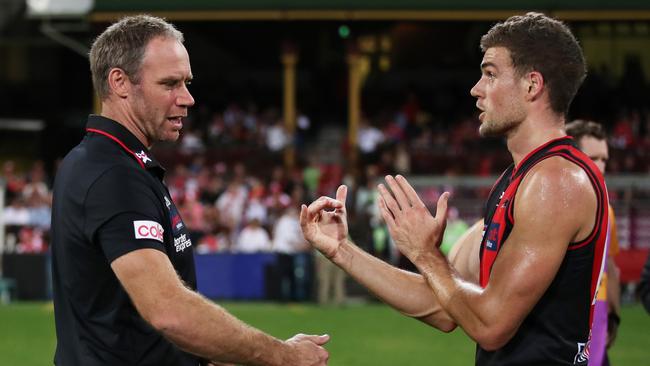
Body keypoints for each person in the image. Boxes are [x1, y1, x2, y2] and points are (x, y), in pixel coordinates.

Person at [301, 12, 608, 365]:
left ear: (532, 85)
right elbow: (446, 304)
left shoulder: (554, 181)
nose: (476, 88)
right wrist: (343, 250)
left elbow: (491, 324)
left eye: (490, 74)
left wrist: (425, 253)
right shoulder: (519, 178)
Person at [51, 15, 329, 366]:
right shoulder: (112, 175)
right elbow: (170, 312)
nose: (188, 98)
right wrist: (284, 356)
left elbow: (137, 326)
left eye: (186, 82)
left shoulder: (105, 162)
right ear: (120, 82)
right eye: (170, 84)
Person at [566, 119, 621, 366]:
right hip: (567, 321)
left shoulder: (606, 210)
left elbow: (610, 266)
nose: (601, 166)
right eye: (594, 158)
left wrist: (613, 316)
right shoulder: (554, 207)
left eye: (604, 159)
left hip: (594, 318)